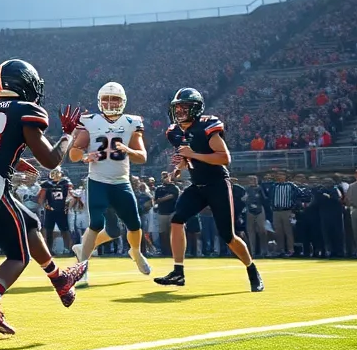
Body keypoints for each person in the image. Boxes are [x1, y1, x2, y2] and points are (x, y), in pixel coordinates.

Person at [0, 59, 87, 336]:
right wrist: (67, 135)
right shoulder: (26, 110)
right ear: (25, 84)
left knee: (29, 222)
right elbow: (51, 161)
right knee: (18, 256)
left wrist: (14, 160)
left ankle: (59, 279)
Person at [155, 88, 263, 292]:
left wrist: (193, 155)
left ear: (195, 109)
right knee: (177, 220)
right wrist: (177, 170)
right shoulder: (174, 132)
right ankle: (178, 272)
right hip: (197, 185)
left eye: (184, 107)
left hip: (217, 184)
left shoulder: (206, 126)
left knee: (228, 236)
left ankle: (252, 269)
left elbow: (224, 157)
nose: (179, 111)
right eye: (177, 107)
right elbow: (186, 158)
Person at [69, 82, 151, 282]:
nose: (110, 103)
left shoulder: (132, 122)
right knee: (96, 223)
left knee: (134, 225)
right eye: (106, 98)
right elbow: (74, 153)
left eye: (114, 99)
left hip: (121, 182)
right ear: (99, 101)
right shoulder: (90, 121)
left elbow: (142, 156)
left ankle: (135, 252)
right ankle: (82, 270)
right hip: (98, 181)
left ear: (123, 101)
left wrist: (129, 150)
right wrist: (84, 157)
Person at [40, 168, 73, 256]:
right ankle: (49, 250)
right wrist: (44, 206)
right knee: (49, 231)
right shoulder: (47, 184)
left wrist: (67, 206)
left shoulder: (65, 183)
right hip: (51, 209)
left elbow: (70, 195)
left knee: (64, 230)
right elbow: (41, 199)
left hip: (61, 209)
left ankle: (69, 249)